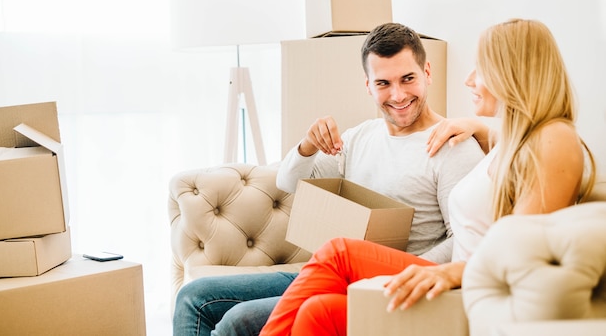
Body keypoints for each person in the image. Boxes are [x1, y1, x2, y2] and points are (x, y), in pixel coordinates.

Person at [258, 18, 597, 336]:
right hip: (459, 276)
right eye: (383, 83)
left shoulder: (556, 140)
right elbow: (290, 183)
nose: (469, 80)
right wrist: (479, 126)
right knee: (318, 310)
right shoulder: (519, 140)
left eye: (481, 68)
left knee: (337, 253)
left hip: (466, 285)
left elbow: (519, 248)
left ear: (513, 72)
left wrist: (445, 271)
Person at [172, 22, 486, 336]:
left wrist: (398, 273)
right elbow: (289, 182)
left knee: (239, 321)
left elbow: (463, 238)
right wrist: (307, 147)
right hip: (334, 270)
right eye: (384, 83)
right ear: (368, 86)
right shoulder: (359, 138)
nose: (398, 94)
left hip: (392, 280)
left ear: (427, 73)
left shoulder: (451, 145)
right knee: (193, 297)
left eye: (408, 79)